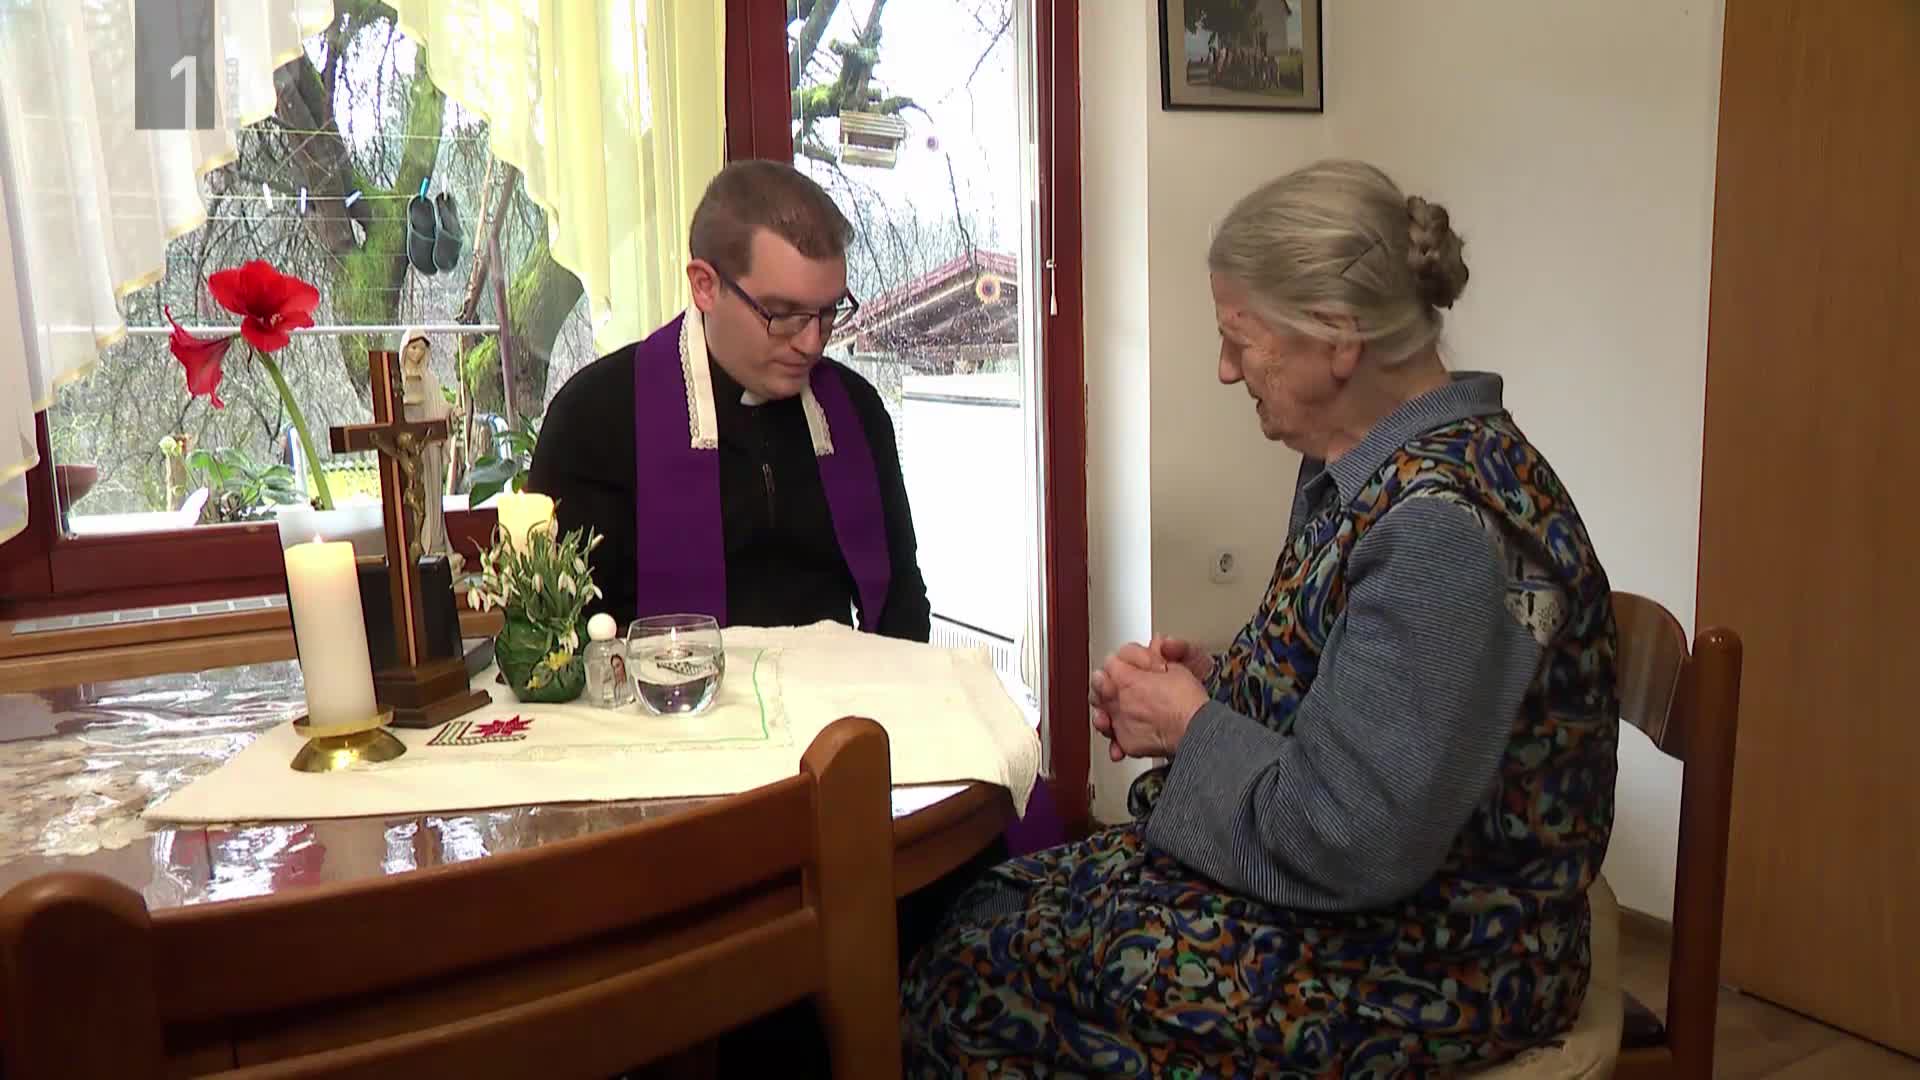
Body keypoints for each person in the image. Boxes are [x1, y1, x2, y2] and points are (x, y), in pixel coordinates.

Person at [901, 160, 1619, 1075]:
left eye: (1241, 340)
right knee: (990, 902)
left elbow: (1350, 838)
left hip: (1439, 956)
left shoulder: (1443, 527)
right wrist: (1222, 682)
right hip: (1381, 910)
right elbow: (1365, 701)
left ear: (1339, 335)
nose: (1226, 368)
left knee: (978, 971)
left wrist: (1190, 725)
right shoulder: (1377, 471)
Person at [529, 160, 930, 641]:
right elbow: (564, 634)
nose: (811, 343)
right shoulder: (595, 418)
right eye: (783, 314)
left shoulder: (855, 413)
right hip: (665, 686)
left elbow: (902, 603)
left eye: (827, 313)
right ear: (705, 285)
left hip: (837, 689)